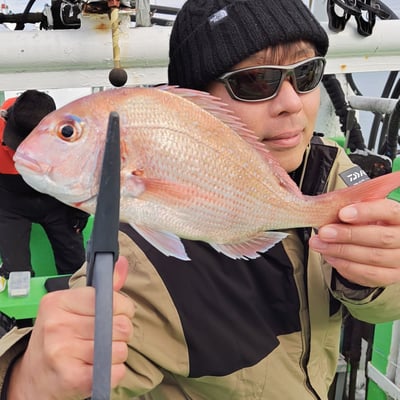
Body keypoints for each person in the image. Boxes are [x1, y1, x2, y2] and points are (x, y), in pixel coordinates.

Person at [2, 1, 400, 399]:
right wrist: (25, 382)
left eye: (306, 73)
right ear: (198, 106)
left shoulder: (331, 168)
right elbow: (94, 372)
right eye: (255, 81)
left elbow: (380, 308)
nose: (292, 103)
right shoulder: (135, 263)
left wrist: (374, 278)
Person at [0, 90, 89, 279]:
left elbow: (84, 175)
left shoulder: (68, 138)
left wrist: (80, 209)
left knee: (75, 268)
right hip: (11, 205)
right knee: (16, 274)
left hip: (56, 202)